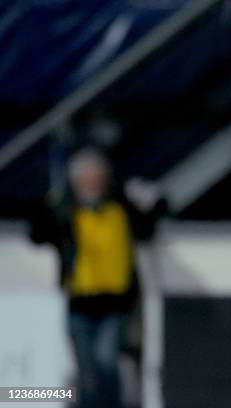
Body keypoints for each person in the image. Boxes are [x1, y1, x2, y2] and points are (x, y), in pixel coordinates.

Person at [30, 148, 164, 408]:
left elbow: (146, 228)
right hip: (80, 301)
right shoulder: (66, 213)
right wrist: (48, 204)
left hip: (114, 303)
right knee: (87, 368)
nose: (91, 185)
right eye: (85, 180)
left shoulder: (119, 208)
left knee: (106, 359)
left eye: (95, 179)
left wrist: (154, 202)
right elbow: (37, 234)